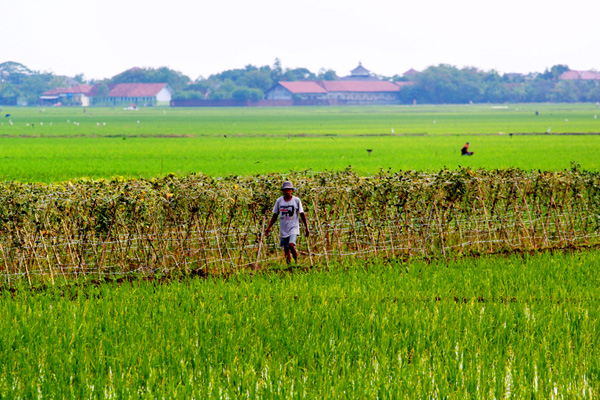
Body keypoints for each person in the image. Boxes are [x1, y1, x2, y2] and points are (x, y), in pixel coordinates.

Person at [265, 181, 310, 264]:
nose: (287, 192)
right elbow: (275, 215)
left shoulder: (296, 200)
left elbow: (302, 214)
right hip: (283, 228)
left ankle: (296, 260)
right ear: (282, 191)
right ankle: (289, 266)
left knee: (291, 244)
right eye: (285, 190)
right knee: (286, 248)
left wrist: (306, 227)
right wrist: (269, 227)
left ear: (292, 190)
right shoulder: (279, 201)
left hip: (293, 227)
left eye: (289, 190)